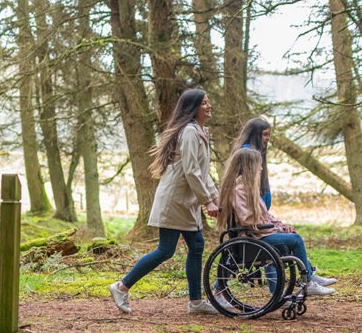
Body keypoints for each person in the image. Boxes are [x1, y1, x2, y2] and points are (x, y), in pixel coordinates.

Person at [108, 89, 221, 315]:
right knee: (165, 250)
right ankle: (121, 286)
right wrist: (207, 201)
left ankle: (196, 302)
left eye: (208, 102)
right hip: (174, 201)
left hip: (184, 201)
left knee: (196, 246)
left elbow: (202, 170)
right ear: (193, 108)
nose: (209, 106)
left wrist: (214, 196)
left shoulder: (200, 131)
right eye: (204, 103)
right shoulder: (189, 132)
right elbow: (191, 170)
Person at [217, 148, 337, 296]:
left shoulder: (247, 188)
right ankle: (309, 281)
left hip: (258, 235)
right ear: (249, 166)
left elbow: (264, 215)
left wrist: (281, 226)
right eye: (258, 165)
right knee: (296, 240)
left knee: (290, 237)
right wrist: (275, 228)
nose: (261, 168)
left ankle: (296, 284)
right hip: (253, 238)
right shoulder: (240, 189)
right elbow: (248, 219)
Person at [232, 118, 337, 287]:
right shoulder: (246, 163)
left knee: (278, 246)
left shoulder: (252, 165)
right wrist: (272, 227)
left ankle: (300, 277)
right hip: (256, 232)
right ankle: (308, 278)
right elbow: (249, 218)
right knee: (290, 241)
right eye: (265, 135)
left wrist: (276, 224)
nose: (268, 139)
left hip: (260, 226)